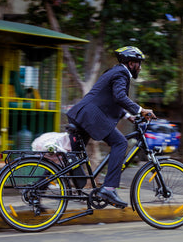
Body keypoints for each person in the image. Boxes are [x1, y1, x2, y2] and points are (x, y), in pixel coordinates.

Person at [67, 46, 156, 208]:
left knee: (72, 157)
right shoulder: (122, 74)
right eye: (139, 63)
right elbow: (120, 96)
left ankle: (39, 190)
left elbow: (111, 100)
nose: (140, 67)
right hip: (91, 116)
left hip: (83, 113)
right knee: (120, 143)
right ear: (131, 63)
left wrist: (129, 116)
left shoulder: (113, 72)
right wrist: (141, 110)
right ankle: (108, 188)